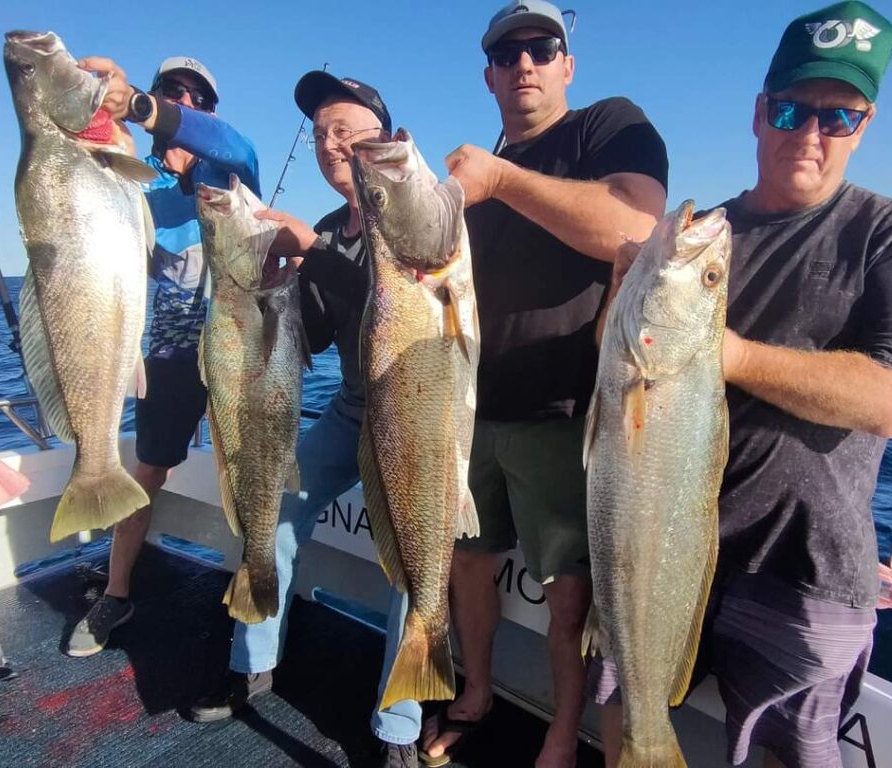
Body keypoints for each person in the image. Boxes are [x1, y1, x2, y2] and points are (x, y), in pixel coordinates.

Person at [593, 3, 892, 767]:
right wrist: (625, 302)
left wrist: (724, 354)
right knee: (630, 717)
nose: (810, 133)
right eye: (791, 108)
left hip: (805, 567)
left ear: (866, 124)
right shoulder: (704, 235)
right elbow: (618, 373)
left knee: (793, 754)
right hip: (653, 541)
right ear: (759, 114)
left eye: (839, 117)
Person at [421, 2, 669, 766]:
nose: (525, 62)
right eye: (508, 52)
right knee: (467, 563)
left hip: (564, 414)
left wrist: (498, 178)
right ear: (489, 75)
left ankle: (563, 733)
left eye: (542, 47)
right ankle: (477, 690)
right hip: (466, 414)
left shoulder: (608, 127)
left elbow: (633, 226)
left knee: (567, 591)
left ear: (567, 63)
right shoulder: (472, 179)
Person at [187, 70, 423, 768]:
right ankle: (250, 662)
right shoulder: (323, 228)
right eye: (320, 134)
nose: (329, 143)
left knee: (413, 558)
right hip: (351, 405)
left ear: (380, 136)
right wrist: (275, 287)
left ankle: (399, 729)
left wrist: (314, 254)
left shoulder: (407, 213)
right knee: (276, 511)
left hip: (411, 410)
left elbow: (397, 304)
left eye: (343, 129)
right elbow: (317, 335)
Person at [65, 56, 261, 657]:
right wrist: (93, 105)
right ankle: (117, 594)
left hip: (235, 349)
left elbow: (237, 145)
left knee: (248, 473)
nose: (187, 100)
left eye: (196, 97)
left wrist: (154, 111)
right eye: (172, 91)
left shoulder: (231, 170)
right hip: (171, 353)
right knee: (147, 470)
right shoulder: (135, 179)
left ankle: (253, 594)